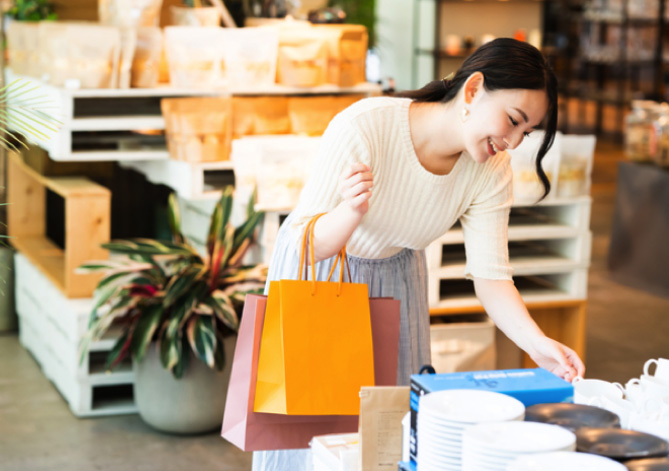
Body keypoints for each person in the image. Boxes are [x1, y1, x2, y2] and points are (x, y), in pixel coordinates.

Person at [251, 37, 586, 471]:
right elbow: (303, 245)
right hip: (319, 281)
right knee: (310, 443)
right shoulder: (366, 126)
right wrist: (350, 212)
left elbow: (492, 276)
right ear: (472, 90)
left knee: (387, 441)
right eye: (512, 121)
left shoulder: (490, 169)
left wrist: (537, 345)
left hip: (398, 286)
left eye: (526, 132)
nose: (513, 142)